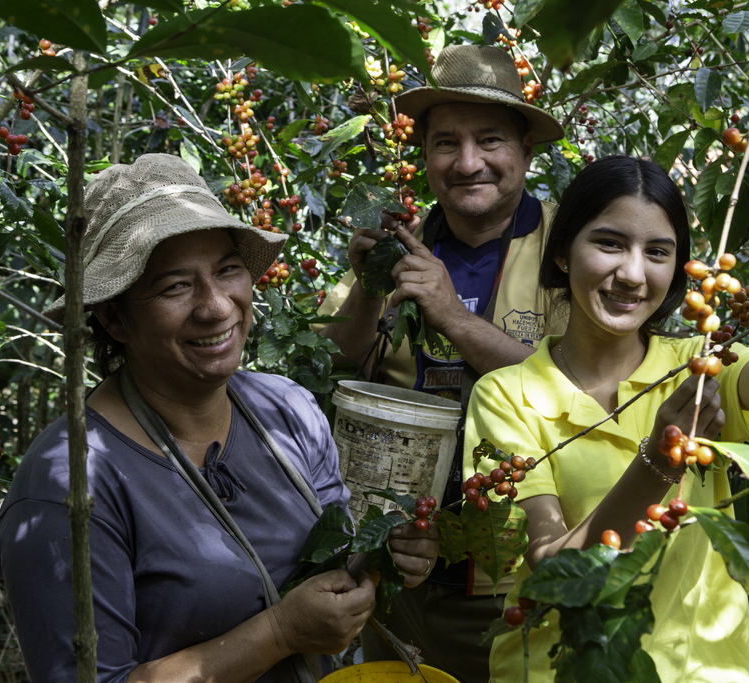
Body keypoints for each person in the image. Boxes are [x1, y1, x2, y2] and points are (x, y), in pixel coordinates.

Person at [0, 154, 439, 683]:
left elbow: (334, 566)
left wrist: (385, 559)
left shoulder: (288, 411)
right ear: (113, 317)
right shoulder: (72, 480)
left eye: (227, 270)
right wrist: (280, 634)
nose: (217, 307)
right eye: (175, 286)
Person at [466, 155, 749, 682]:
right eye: (609, 243)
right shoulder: (506, 396)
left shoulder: (700, 367)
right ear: (561, 253)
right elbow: (556, 570)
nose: (632, 273)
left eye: (658, 252)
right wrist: (659, 462)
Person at [316, 44, 566, 680]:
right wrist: (370, 284)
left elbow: (582, 391)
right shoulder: (400, 245)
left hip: (516, 577)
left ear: (526, 152)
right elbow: (333, 366)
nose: (468, 162)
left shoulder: (570, 250)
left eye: (490, 140)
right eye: (446, 143)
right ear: (424, 154)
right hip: (395, 570)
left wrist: (454, 317)